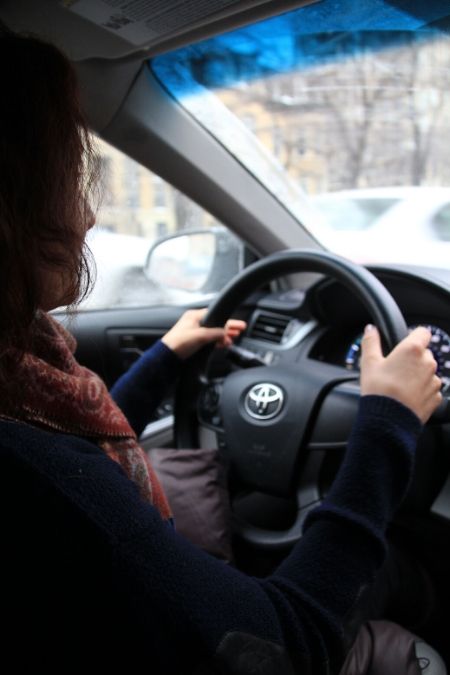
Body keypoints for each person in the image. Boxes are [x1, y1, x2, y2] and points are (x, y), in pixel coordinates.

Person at [0, 26, 443, 675]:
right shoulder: (32, 471)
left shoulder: (23, 386)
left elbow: (81, 467)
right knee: (401, 568)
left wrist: (162, 360)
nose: (87, 216)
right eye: (69, 175)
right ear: (15, 203)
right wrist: (387, 425)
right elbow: (285, 641)